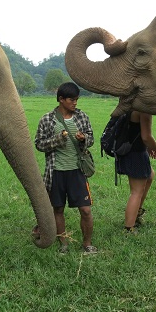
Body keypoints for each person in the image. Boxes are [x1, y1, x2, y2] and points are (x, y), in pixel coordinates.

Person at [35, 82, 97, 255]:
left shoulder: (82, 117)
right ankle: (63, 243)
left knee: (85, 210)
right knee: (58, 209)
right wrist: (58, 140)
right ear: (61, 99)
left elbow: (91, 138)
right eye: (72, 99)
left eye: (77, 99)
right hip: (55, 172)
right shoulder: (47, 119)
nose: (75, 103)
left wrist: (83, 138)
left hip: (77, 171)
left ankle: (87, 243)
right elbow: (39, 144)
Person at [117, 110, 156, 233]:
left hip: (130, 151)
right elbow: (146, 136)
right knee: (136, 191)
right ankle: (129, 227)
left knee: (150, 176)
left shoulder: (129, 104)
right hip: (135, 153)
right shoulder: (144, 109)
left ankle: (136, 212)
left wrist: (147, 148)